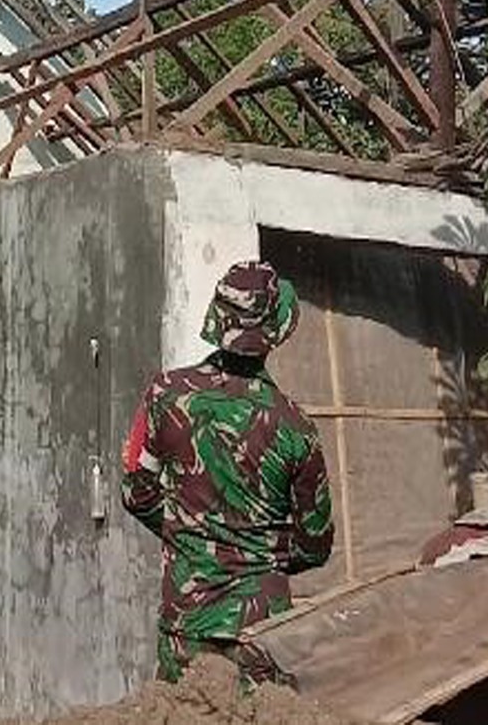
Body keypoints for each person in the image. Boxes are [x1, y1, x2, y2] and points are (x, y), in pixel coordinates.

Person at [121, 261, 333, 686]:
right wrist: (258, 552)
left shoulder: (165, 395)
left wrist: (192, 536)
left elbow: (136, 493)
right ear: (275, 331)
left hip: (185, 624)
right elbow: (315, 545)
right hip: (262, 631)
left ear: (217, 319)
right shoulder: (296, 428)